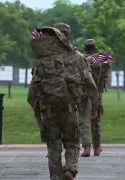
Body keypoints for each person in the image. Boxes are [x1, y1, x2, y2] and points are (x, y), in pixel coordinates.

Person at [28, 25, 99, 180]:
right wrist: (94, 106)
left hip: (48, 111)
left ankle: (55, 177)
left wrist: (39, 111)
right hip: (69, 108)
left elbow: (31, 95)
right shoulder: (76, 56)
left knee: (53, 146)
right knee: (72, 142)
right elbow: (90, 83)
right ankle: (70, 169)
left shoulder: (41, 60)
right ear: (67, 36)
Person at [79, 39, 112, 157]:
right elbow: (105, 73)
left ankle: (86, 147)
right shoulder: (100, 61)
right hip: (97, 94)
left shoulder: (80, 59)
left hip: (83, 93)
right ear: (95, 47)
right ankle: (97, 147)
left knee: (84, 120)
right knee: (96, 121)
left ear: (85, 48)